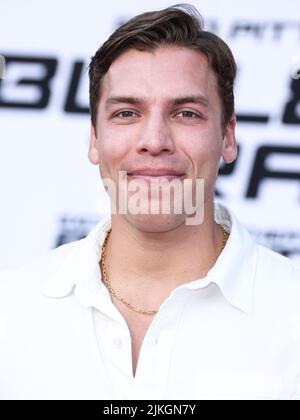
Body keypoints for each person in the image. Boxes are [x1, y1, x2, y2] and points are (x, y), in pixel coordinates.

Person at [0, 4, 299, 401]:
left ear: (228, 137)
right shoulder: (12, 309)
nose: (154, 140)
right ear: (94, 139)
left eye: (186, 113)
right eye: (127, 113)